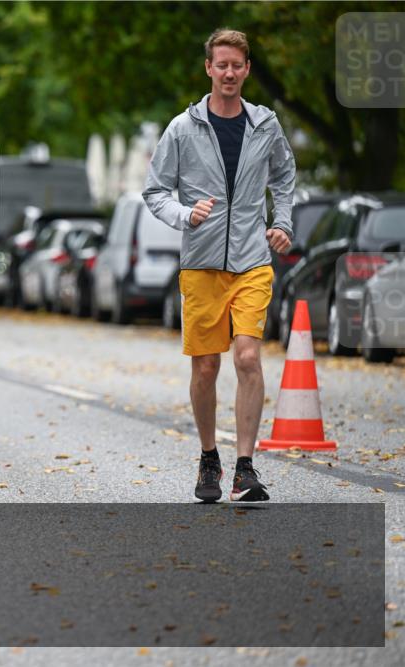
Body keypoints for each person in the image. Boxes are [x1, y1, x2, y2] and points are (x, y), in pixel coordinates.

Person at [143, 28, 295, 503]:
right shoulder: (183, 129)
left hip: (252, 258)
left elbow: (285, 175)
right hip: (201, 263)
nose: (229, 73)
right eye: (221, 65)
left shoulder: (265, 125)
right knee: (206, 366)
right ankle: (210, 455)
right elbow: (155, 191)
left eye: (237, 65)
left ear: (247, 70)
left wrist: (282, 222)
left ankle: (245, 468)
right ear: (208, 68)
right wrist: (185, 215)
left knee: (247, 357)